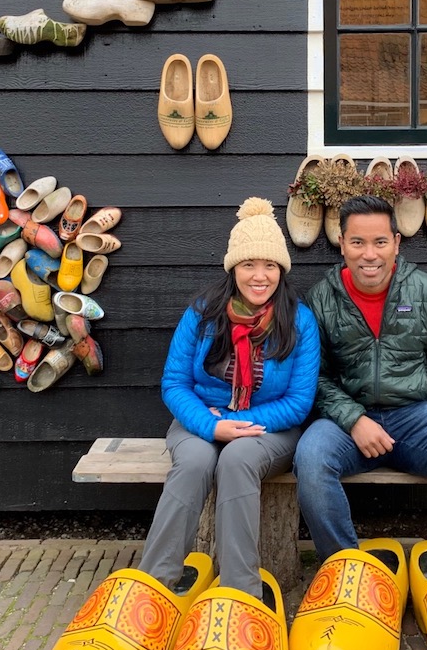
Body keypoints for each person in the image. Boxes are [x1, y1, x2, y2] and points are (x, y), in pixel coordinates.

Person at [135, 197, 321, 598]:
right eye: (249, 264)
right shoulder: (203, 313)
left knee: (238, 460)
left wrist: (243, 424)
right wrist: (212, 425)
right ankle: (154, 588)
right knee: (195, 462)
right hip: (201, 419)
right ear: (233, 267)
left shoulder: (300, 320)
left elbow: (299, 401)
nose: (259, 275)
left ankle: (241, 593)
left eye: (269, 265)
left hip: (271, 427)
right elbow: (174, 383)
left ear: (281, 270)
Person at [294, 193, 427, 561]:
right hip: (346, 422)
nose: (369, 254)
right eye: (358, 242)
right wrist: (354, 420)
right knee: (310, 457)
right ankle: (344, 569)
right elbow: (311, 378)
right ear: (342, 245)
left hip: (415, 416)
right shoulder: (320, 300)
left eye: (380, 242)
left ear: (396, 243)